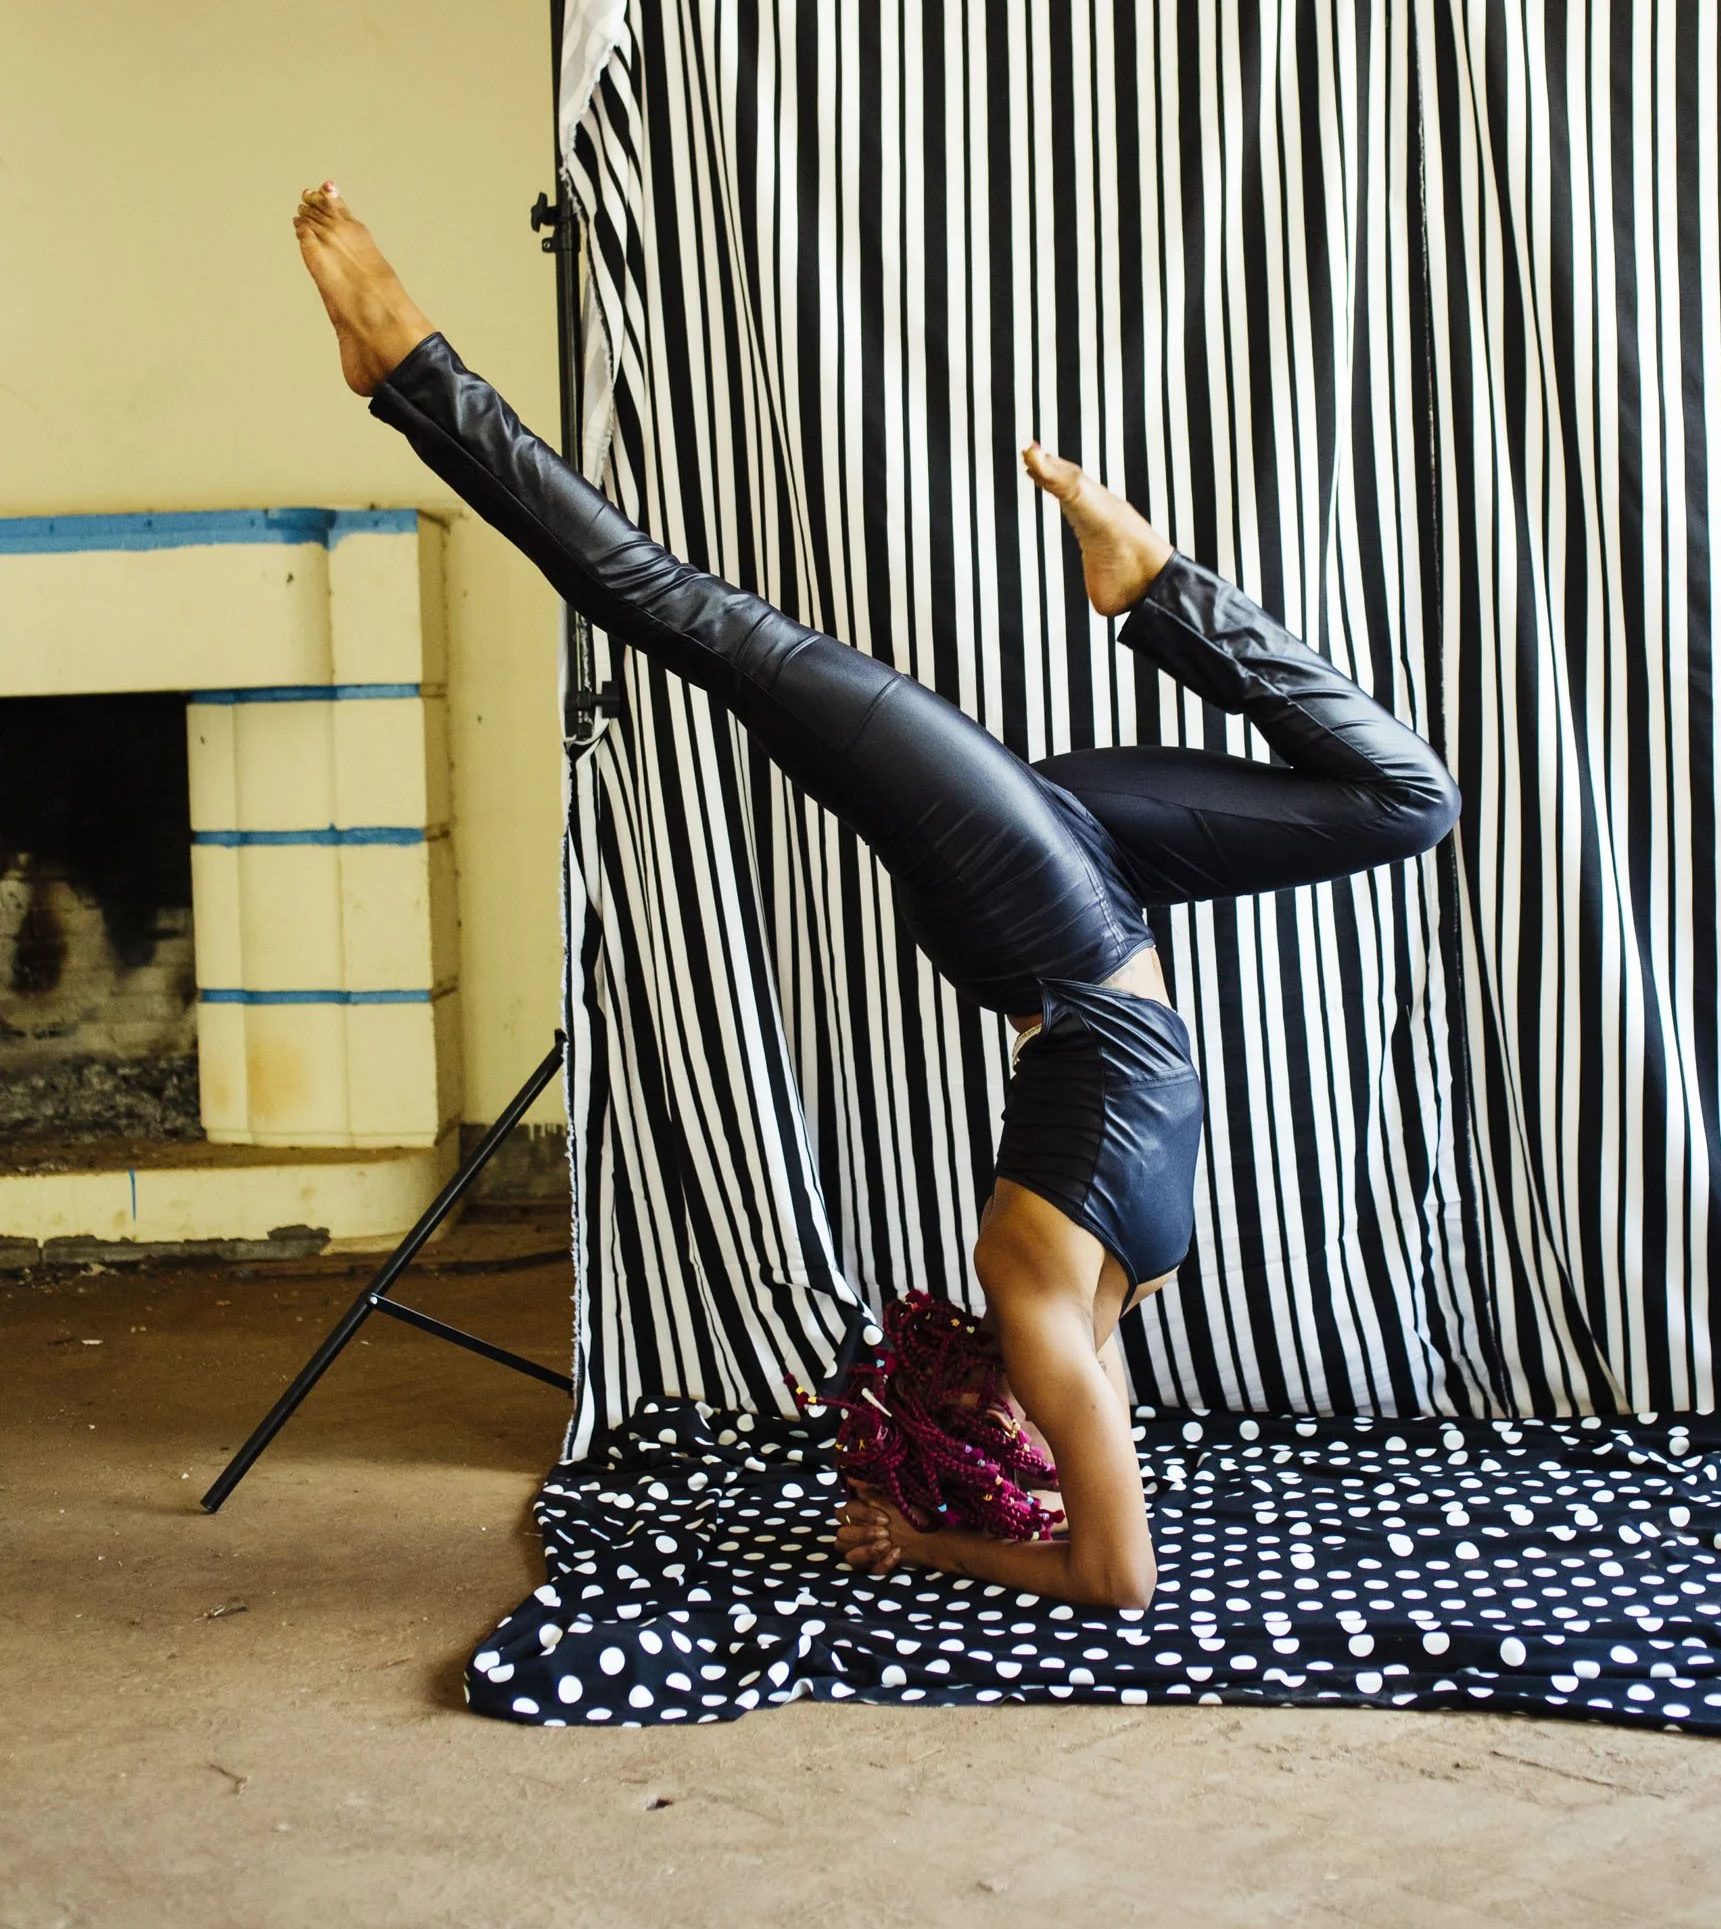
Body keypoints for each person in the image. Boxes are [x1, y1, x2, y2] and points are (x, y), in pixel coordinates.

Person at [294, 180, 1460, 1612]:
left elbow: (1100, 1549)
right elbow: (1118, 1577)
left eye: (977, 1440)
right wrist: (948, 1535)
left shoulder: (1062, 1308)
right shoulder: (1066, 1327)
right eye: (994, 1445)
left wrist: (923, 1531)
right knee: (1410, 803)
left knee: (698, 620)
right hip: (1094, 897)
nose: (993, 1421)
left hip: (1048, 925)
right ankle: (1150, 585)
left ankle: (410, 368)